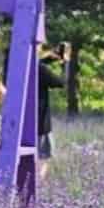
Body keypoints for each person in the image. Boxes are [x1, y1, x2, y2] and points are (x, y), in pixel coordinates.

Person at [35, 44, 70, 180]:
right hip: (40, 123)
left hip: (21, 123)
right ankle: (38, 183)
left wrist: (48, 59)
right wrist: (66, 63)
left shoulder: (17, 66)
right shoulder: (40, 69)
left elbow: (35, 64)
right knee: (43, 158)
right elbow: (61, 82)